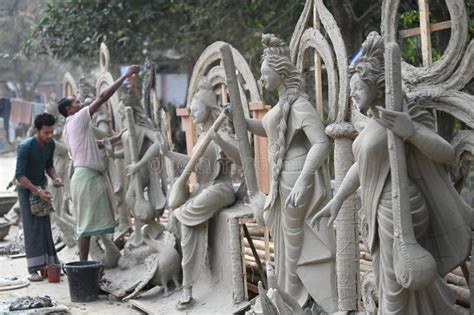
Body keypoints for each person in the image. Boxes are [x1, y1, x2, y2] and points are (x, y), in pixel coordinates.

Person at [312, 32, 471, 314]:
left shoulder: (400, 117)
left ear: (376, 85)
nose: (352, 94)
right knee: (394, 284)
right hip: (380, 213)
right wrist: (337, 201)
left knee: (398, 287)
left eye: (358, 88)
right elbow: (362, 166)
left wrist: (411, 131)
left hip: (401, 210)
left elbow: (446, 154)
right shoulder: (372, 124)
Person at [229, 34, 337, 309]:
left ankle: (293, 300)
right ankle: (289, 298)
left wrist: (303, 181)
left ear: (280, 71)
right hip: (283, 179)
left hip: (295, 176)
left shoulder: (299, 104)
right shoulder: (280, 106)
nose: (262, 79)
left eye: (265, 73)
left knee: (292, 246)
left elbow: (321, 143)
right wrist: (238, 118)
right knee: (285, 244)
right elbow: (264, 128)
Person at [127, 77, 239, 308]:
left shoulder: (219, 132)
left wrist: (218, 138)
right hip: (204, 188)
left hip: (222, 188)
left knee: (183, 213)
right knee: (181, 215)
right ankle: (186, 283)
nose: (192, 113)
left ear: (209, 109)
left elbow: (240, 158)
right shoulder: (201, 137)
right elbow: (194, 164)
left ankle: (187, 283)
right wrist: (168, 154)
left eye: (196, 109)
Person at [59, 65, 140, 261]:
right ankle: (83, 266)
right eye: (77, 102)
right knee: (86, 228)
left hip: (84, 177)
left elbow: (93, 144)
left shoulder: (68, 128)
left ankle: (88, 265)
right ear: (70, 109)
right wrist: (124, 76)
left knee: (90, 226)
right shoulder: (78, 119)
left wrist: (117, 138)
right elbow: (103, 97)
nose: (81, 104)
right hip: (86, 178)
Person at [15, 113, 63, 281]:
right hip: (27, 190)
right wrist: (37, 191)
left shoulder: (50, 145)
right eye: (46, 133)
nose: (49, 136)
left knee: (44, 226)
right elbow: (20, 176)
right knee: (32, 228)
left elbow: (49, 166)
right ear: (37, 130)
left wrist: (55, 178)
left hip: (41, 187)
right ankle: (33, 269)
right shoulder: (25, 146)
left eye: (51, 132)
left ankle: (49, 264)